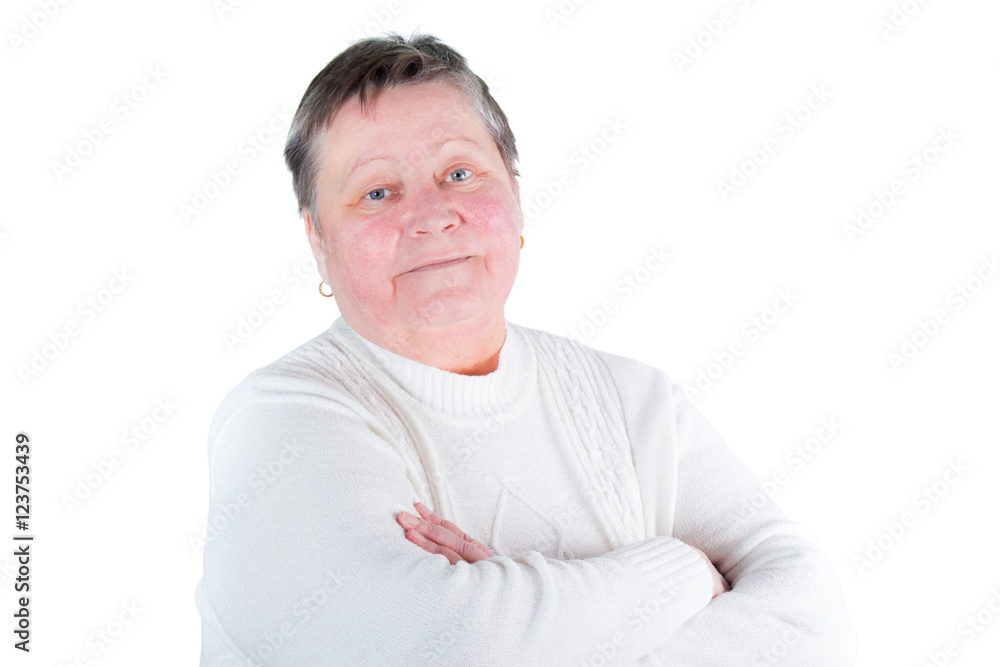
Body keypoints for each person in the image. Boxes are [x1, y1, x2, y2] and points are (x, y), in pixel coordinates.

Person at [194, 31, 858, 666]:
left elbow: (815, 625)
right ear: (318, 237)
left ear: (513, 191)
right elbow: (431, 648)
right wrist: (682, 573)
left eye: (458, 172)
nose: (431, 213)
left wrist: (522, 628)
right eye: (377, 191)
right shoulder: (279, 421)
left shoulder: (632, 402)